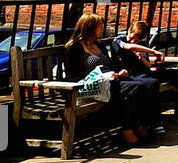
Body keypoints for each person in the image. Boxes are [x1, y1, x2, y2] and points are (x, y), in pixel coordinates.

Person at [63, 13, 161, 145]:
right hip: (89, 88)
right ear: (90, 28)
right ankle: (128, 131)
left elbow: (111, 66)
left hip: (109, 83)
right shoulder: (75, 48)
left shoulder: (99, 45)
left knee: (143, 85)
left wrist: (118, 73)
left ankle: (137, 125)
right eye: (100, 27)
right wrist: (100, 77)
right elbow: (72, 76)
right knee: (133, 88)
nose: (102, 29)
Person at [116, 22, 178, 124]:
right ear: (129, 30)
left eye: (137, 41)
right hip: (133, 76)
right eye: (132, 38)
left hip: (146, 73)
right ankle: (153, 120)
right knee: (152, 82)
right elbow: (128, 46)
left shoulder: (141, 44)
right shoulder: (118, 40)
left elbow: (148, 66)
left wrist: (142, 59)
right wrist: (153, 52)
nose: (133, 41)